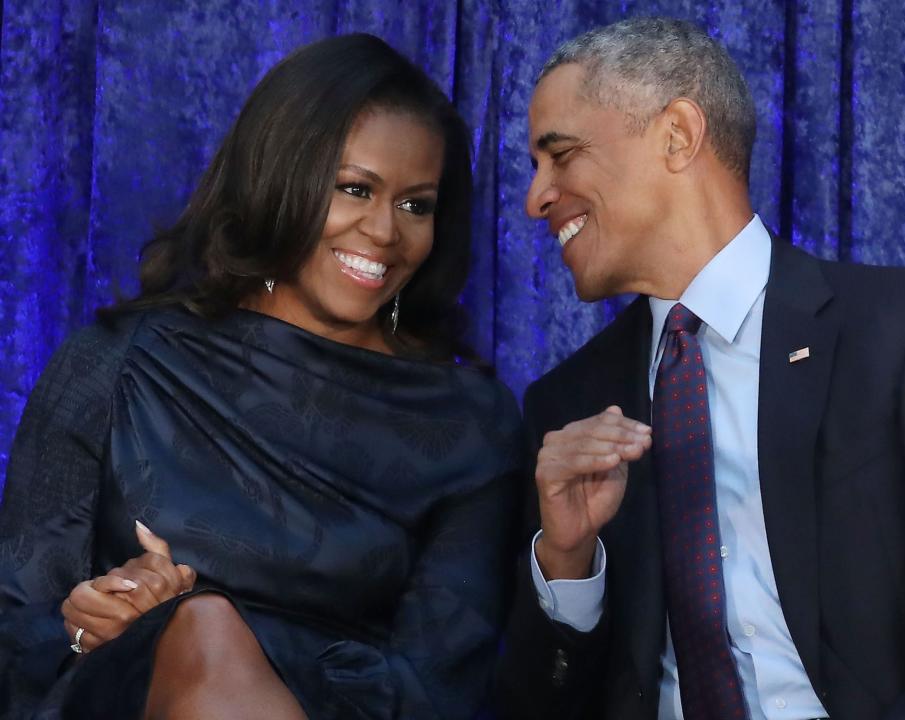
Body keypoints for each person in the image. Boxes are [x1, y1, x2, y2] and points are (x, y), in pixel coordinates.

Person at [0, 33, 523, 720]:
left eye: (414, 204)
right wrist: (98, 621)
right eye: (355, 189)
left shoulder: (468, 423)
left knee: (207, 628)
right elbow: (17, 632)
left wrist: (204, 622)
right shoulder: (118, 361)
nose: (384, 232)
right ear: (282, 178)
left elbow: (440, 690)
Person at [495, 17, 905, 720]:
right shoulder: (567, 405)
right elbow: (544, 703)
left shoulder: (903, 328)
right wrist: (567, 560)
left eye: (560, 156)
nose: (535, 198)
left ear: (678, 135)